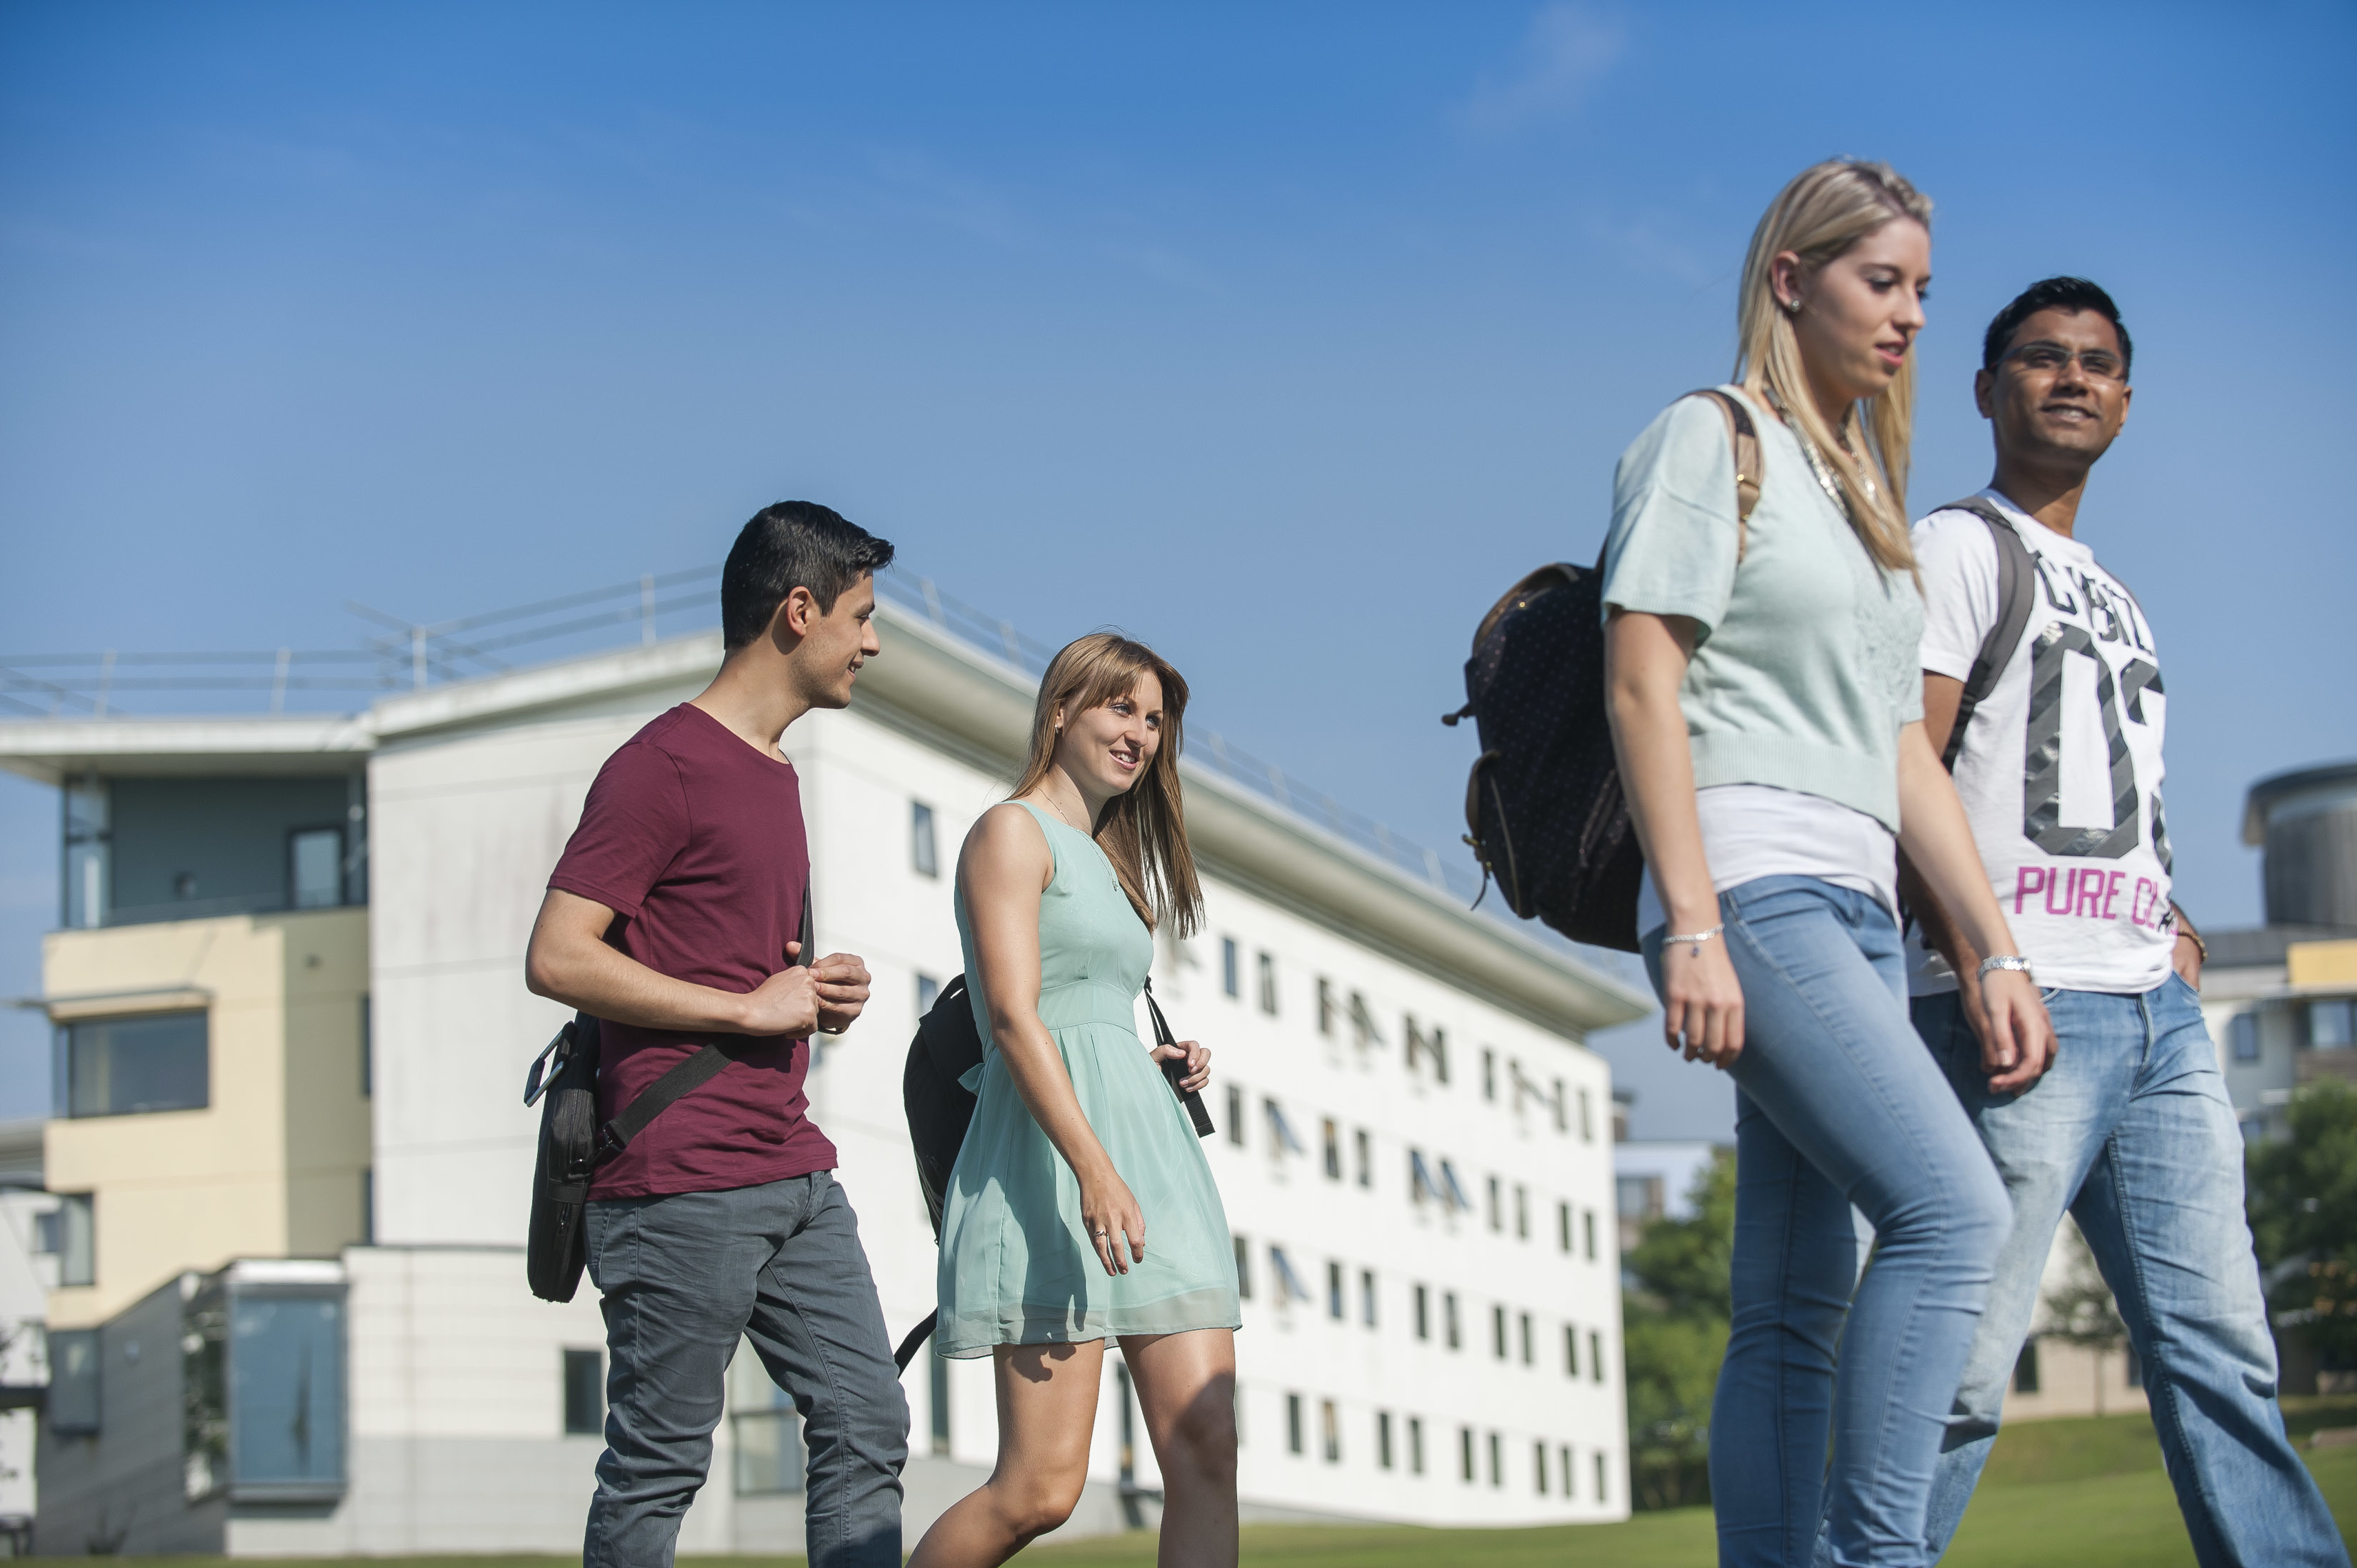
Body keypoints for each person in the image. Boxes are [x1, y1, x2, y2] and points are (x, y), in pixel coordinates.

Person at [1600, 159, 2057, 1568]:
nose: (1913, 314)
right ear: (1791, 280)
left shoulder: (1864, 492)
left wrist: (1992, 945)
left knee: (1795, 1300)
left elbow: (1901, 754)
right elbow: (1640, 684)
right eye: (1883, 282)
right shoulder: (1708, 438)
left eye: (1925, 287)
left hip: (1858, 907)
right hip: (1752, 887)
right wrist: (1690, 925)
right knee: (1950, 1207)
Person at [1894, 278, 2348, 1567]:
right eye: (2041, 358)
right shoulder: (1956, 546)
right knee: (1964, 1369)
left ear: (2127, 403)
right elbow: (1903, 767)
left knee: (2226, 1359)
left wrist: (2176, 914)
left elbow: (2104, 797)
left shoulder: (2124, 597)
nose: (2072, 378)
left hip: (2157, 1020)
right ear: (1988, 390)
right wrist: (1984, 953)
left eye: (2097, 363)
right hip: (2018, 1008)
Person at [524, 502, 908, 1568]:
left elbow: (737, 961)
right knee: (659, 1470)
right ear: (799, 611)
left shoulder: (777, 772)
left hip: (790, 1167)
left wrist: (807, 991)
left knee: (868, 1421)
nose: (872, 643)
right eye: (861, 616)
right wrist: (747, 1009)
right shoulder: (663, 765)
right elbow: (557, 955)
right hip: (675, 1186)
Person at [909, 633, 1240, 1568]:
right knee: (1041, 1492)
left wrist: (1151, 1065)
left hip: (1156, 1164)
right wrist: (1095, 1167)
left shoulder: (1118, 862)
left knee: (1207, 1450)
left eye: (1153, 719)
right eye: (1119, 708)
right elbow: (1014, 1019)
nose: (1140, 733)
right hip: (1052, 1168)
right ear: (1060, 710)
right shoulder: (1009, 832)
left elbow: (1088, 1013)